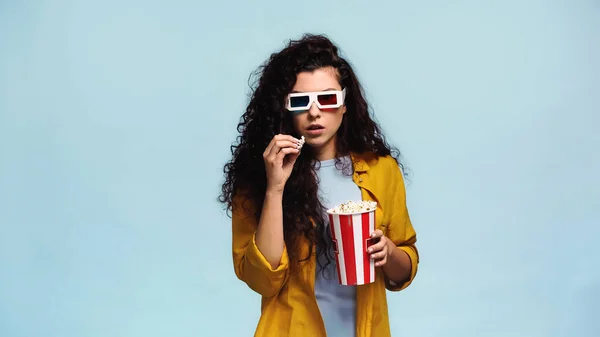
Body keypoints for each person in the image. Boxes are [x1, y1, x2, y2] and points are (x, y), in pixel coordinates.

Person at [218, 33, 419, 337]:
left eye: (327, 98)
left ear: (345, 103)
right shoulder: (260, 176)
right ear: (285, 108)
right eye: (301, 101)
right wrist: (275, 187)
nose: (315, 112)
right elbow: (263, 281)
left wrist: (389, 253)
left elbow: (403, 269)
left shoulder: (382, 171)